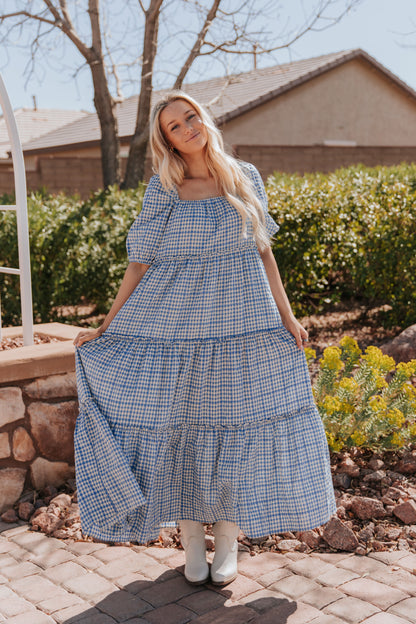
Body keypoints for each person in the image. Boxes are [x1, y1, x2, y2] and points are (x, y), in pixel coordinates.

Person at [73, 90, 337, 587]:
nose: (187, 127)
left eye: (190, 117)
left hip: (243, 329)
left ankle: (229, 542)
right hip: (176, 328)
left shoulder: (246, 177)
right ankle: (193, 540)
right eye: (175, 125)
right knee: (181, 427)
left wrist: (288, 316)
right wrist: (108, 326)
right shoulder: (165, 187)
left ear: (203, 118)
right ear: (167, 141)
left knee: (238, 430)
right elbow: (141, 260)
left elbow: (264, 254)